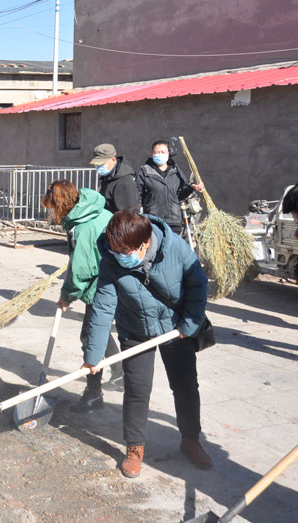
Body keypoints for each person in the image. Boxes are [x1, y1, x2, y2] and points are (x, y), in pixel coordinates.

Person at [83, 210, 212, 478]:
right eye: (115, 249)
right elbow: (103, 306)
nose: (120, 255)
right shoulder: (111, 257)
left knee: (185, 386)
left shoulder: (174, 246)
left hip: (176, 328)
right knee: (137, 389)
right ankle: (134, 448)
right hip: (135, 328)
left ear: (145, 243)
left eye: (125, 251)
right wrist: (93, 355)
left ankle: (191, 440)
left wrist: (189, 325)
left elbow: (197, 283)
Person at [41, 180, 123, 413]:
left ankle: (93, 395)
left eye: (52, 209)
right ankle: (120, 375)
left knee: (90, 336)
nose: (52, 214)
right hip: (112, 280)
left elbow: (81, 272)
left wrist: (66, 296)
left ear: (62, 205)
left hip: (102, 287)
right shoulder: (95, 210)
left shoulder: (83, 228)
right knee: (100, 331)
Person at [136, 140, 204, 235]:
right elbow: (137, 195)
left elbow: (180, 195)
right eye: (157, 152)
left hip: (174, 222)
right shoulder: (145, 172)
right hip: (153, 221)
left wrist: (192, 187)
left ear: (168, 153)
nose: (159, 155)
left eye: (162, 152)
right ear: (152, 153)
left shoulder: (176, 172)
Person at [89, 143, 140, 213]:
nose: (98, 167)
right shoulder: (107, 177)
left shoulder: (125, 182)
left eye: (101, 164)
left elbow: (129, 214)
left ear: (113, 159)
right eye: (96, 164)